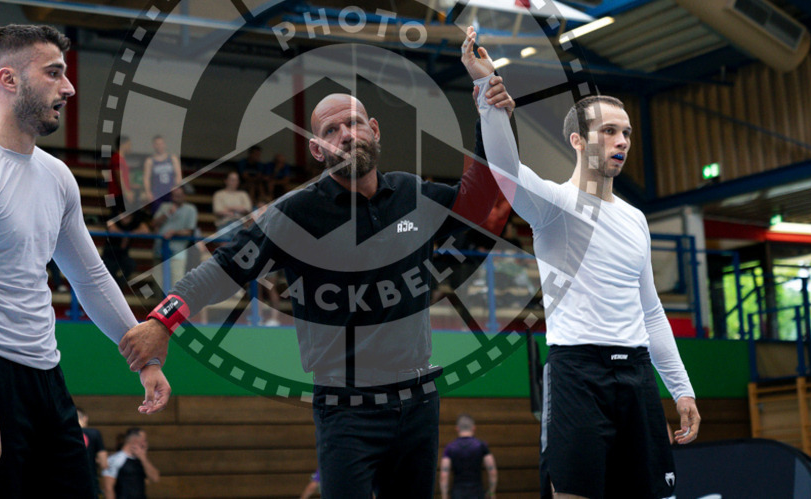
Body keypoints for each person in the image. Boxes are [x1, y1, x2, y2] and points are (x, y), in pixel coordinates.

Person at [119, 78, 515, 499]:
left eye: (354, 123)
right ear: (317, 149)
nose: (346, 135)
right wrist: (163, 320)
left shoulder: (412, 193)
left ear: (374, 130)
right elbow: (223, 269)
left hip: (418, 400)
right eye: (331, 130)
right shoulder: (295, 213)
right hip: (347, 407)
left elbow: (477, 202)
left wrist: (489, 118)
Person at [0, 24, 170, 498]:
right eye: (54, 73)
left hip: (47, 380)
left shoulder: (57, 176)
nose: (68, 87)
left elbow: (91, 276)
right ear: (9, 79)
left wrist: (143, 358)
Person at [459, 27, 700, 499]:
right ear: (576, 139)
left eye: (626, 132)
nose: (621, 140)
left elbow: (652, 312)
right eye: (608, 130)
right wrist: (487, 99)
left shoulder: (635, 219)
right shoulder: (553, 206)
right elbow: (506, 171)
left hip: (636, 376)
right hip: (576, 375)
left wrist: (682, 388)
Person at [439, 414, 497, 499]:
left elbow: (444, 475)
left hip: (458, 492)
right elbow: (492, 471)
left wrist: (444, 495)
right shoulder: (481, 446)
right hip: (476, 492)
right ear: (474, 428)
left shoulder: (450, 448)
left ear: (457, 429)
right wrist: (491, 492)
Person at [152, 188, 199, 288]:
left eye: (179, 195)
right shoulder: (165, 207)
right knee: (158, 283)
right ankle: (161, 303)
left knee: (176, 283)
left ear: (184, 196)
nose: (177, 198)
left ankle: (174, 304)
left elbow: (189, 231)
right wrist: (167, 214)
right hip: (159, 249)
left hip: (178, 252)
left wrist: (174, 233)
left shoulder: (190, 209)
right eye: (175, 195)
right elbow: (153, 224)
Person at [103, 428, 159, 499]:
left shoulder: (141, 460)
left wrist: (144, 459)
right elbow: (108, 488)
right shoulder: (116, 459)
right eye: (144, 441)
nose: (146, 444)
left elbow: (155, 478)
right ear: (135, 441)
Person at [142, 136, 182, 214]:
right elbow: (146, 178)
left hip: (171, 192)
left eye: (161, 143)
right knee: (157, 214)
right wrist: (148, 192)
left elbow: (178, 175)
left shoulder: (173, 158)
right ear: (154, 145)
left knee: (173, 213)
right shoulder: (150, 161)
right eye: (157, 144)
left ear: (165, 144)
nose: (160, 146)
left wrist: (176, 187)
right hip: (157, 193)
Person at [211, 171, 251, 238]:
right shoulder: (218, 194)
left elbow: (248, 209)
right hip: (223, 224)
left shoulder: (243, 194)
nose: (235, 182)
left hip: (241, 224)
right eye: (232, 180)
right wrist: (238, 209)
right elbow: (218, 211)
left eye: (236, 180)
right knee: (224, 244)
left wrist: (229, 208)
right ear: (226, 181)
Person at [78, 408, 108, 497]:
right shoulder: (94, 434)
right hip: (90, 485)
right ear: (85, 418)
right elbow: (104, 464)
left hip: (69, 485)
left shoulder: (65, 434)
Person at [108, 136, 136, 215]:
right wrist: (126, 193)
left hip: (120, 194)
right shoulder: (116, 158)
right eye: (129, 144)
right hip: (117, 194)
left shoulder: (121, 159)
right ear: (123, 145)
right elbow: (119, 177)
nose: (130, 147)